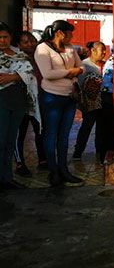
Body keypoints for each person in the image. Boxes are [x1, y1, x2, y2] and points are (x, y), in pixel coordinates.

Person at [35, 20, 84, 186]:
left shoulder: (70, 48)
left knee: (64, 136)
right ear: (60, 33)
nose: (72, 36)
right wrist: (70, 72)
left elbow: (81, 66)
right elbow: (47, 73)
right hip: (52, 98)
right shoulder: (43, 48)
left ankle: (64, 169)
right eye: (70, 33)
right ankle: (53, 171)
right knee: (51, 134)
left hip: (69, 97)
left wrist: (73, 73)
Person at [0, 23, 40, 190]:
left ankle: (6, 178)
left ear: (10, 38)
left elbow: (30, 75)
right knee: (1, 140)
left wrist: (14, 77)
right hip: (1, 101)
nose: (2, 40)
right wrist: (16, 77)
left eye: (5, 37)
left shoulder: (19, 54)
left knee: (10, 140)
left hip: (18, 102)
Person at [13, 31, 45, 176]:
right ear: (19, 45)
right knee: (20, 133)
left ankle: (43, 160)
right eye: (25, 42)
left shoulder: (40, 58)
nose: (30, 44)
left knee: (40, 130)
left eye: (32, 41)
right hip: (20, 102)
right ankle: (20, 164)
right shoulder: (15, 59)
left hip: (37, 101)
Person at [73, 41, 106, 161]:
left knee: (102, 128)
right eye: (101, 50)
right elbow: (79, 84)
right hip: (89, 102)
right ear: (93, 50)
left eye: (104, 50)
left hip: (102, 101)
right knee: (86, 127)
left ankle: (100, 151)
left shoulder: (105, 65)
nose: (103, 53)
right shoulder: (84, 65)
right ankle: (78, 151)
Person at [98, 49, 114, 163]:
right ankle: (105, 155)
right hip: (108, 97)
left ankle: (104, 154)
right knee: (108, 128)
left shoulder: (110, 60)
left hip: (108, 96)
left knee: (107, 128)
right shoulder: (112, 61)